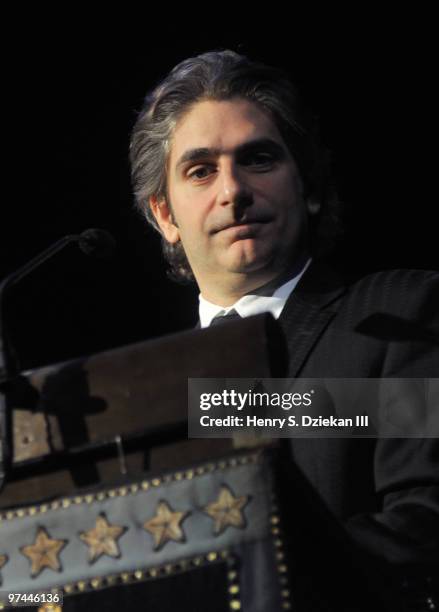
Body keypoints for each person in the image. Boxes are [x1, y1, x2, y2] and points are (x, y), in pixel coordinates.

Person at [129, 50, 439, 610]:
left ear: (311, 188)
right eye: (201, 170)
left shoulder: (396, 317)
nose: (232, 191)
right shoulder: (136, 395)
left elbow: (424, 521)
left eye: (258, 160)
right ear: (165, 216)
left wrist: (251, 571)